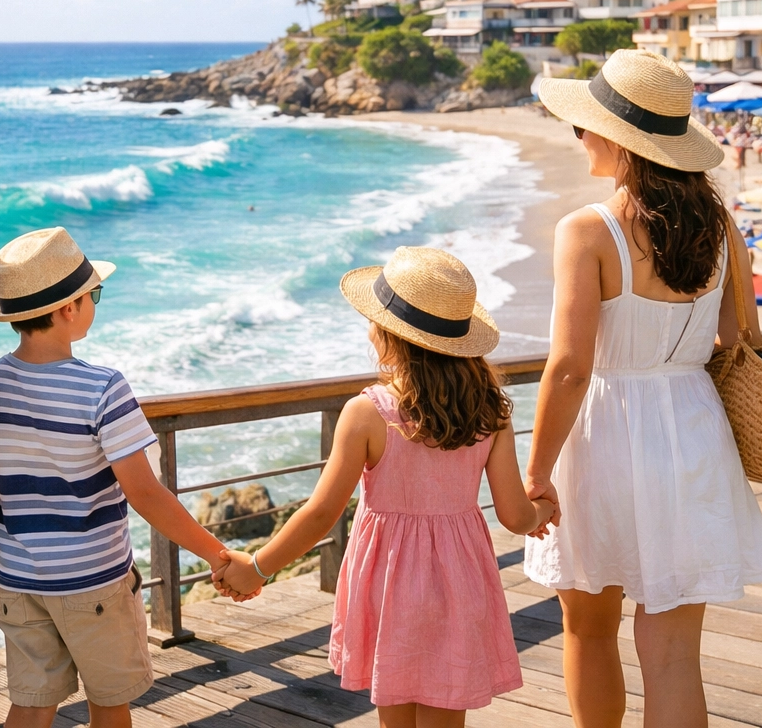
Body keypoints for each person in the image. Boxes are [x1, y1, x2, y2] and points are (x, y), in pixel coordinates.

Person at [528, 50, 762, 728]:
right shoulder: (722, 227)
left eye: (583, 126)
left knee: (587, 628)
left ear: (618, 138)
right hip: (692, 428)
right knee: (672, 653)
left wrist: (535, 473)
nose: (578, 137)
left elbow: (571, 368)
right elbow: (740, 339)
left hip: (604, 432)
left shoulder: (589, 230)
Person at [217, 246, 556, 728]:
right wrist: (543, 508)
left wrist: (257, 566)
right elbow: (515, 516)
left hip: (389, 581)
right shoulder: (490, 412)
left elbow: (320, 513)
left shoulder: (368, 413)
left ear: (388, 335)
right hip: (461, 581)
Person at [0, 227, 258, 728]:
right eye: (93, 293)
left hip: (21, 579)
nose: (94, 302)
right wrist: (219, 553)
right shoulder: (103, 388)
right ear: (68, 310)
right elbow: (144, 492)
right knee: (110, 704)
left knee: (31, 705)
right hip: (94, 582)